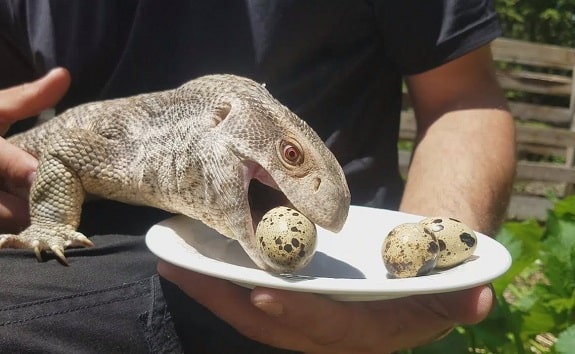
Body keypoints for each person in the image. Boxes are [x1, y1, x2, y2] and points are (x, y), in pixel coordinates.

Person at [0, 1, 516, 353]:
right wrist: (47, 218)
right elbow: (62, 149)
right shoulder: (132, 148)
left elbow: (463, 97)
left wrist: (421, 271)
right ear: (222, 116)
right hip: (90, 238)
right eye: (289, 155)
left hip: (315, 283)